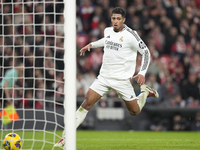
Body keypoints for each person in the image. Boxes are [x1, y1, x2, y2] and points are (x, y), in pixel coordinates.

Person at [54, 7, 159, 147]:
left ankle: (145, 92)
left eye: (118, 19)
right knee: (86, 102)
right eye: (113, 18)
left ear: (124, 20)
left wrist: (142, 72)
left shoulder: (131, 35)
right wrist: (92, 44)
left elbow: (146, 52)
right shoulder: (108, 31)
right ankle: (66, 138)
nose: (115, 21)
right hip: (104, 77)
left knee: (134, 111)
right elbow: (107, 40)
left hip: (122, 80)